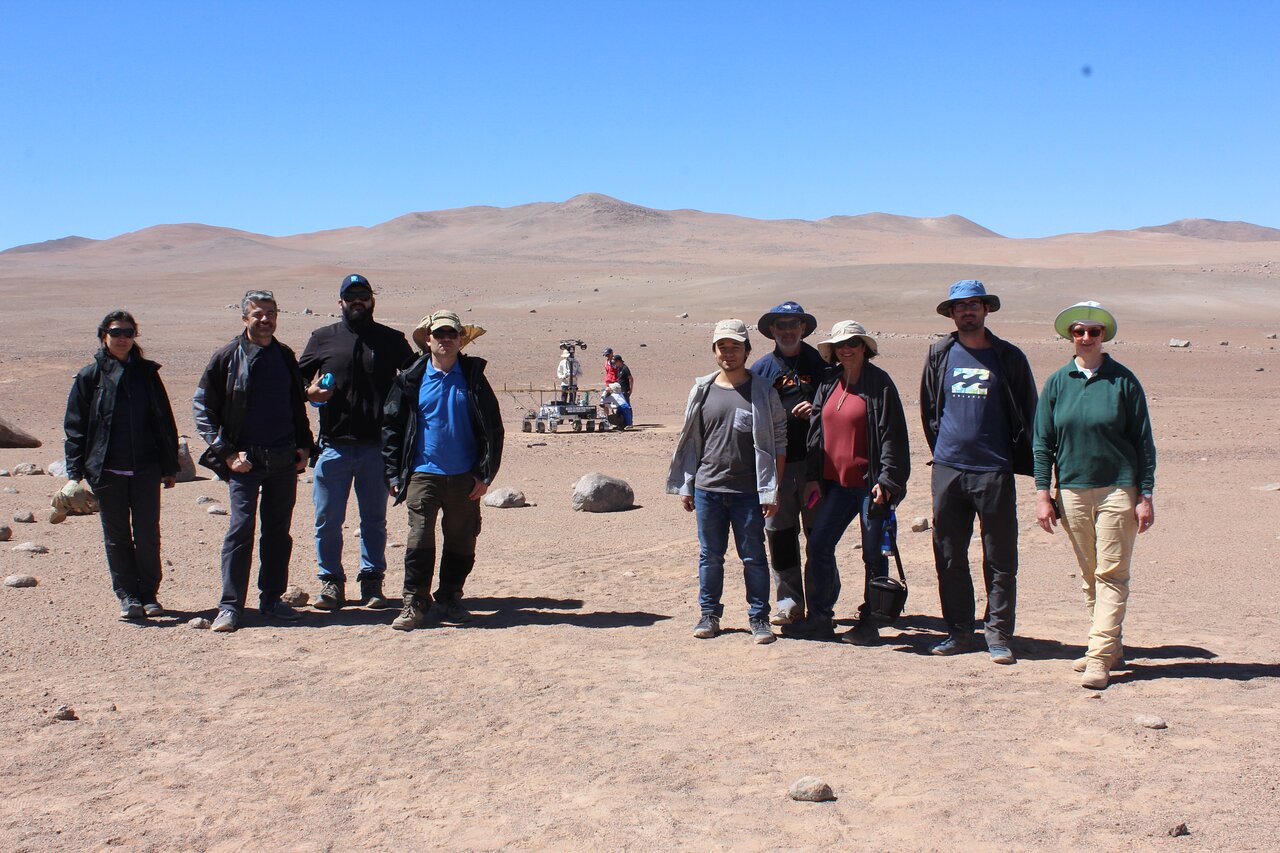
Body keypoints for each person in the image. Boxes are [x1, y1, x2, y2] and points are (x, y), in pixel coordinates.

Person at [1033, 301, 1156, 690]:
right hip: (1071, 489)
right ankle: (1111, 646)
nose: (1086, 338)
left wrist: (1145, 493)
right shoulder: (1057, 382)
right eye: (1079, 332)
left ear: (1104, 336)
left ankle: (1100, 656)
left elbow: (1143, 442)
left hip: (1119, 488)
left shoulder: (1123, 380)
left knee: (1111, 574)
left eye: (1094, 332)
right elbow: (1043, 443)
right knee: (1090, 575)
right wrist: (1042, 494)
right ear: (1071, 336)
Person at [920, 280, 1038, 664]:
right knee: (949, 554)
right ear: (951, 314)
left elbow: (1028, 410)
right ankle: (958, 632)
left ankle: (999, 634)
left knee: (1000, 556)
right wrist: (942, 452)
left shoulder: (1008, 357)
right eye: (960, 306)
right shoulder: (940, 354)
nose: (967, 311)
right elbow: (929, 411)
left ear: (986, 310)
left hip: (994, 469)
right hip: (949, 468)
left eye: (974, 304)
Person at [194, 290, 314, 633]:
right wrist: (228, 454)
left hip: (282, 460)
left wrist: (304, 446)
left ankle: (272, 599)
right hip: (244, 462)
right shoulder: (228, 357)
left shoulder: (284, 355)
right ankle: (231, 605)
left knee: (278, 533)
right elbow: (203, 408)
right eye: (258, 314)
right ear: (245, 318)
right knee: (240, 531)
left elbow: (295, 405)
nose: (266, 319)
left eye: (271, 313)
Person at [784, 321, 910, 644]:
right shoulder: (830, 382)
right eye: (840, 344)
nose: (846, 348)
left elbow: (893, 436)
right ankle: (821, 618)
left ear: (864, 347)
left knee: (872, 552)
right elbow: (816, 432)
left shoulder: (880, 384)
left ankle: (871, 621)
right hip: (837, 485)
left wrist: (888, 480)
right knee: (820, 543)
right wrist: (813, 478)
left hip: (870, 485)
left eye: (853, 342)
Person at [666, 319, 787, 645]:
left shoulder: (762, 391)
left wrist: (772, 488)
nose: (729, 353)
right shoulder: (701, 390)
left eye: (735, 347)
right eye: (723, 347)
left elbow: (778, 442)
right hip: (708, 489)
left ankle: (759, 618)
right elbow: (692, 441)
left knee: (753, 557)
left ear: (747, 350)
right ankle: (709, 614)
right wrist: (687, 485)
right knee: (710, 556)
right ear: (715, 351)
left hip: (748, 492)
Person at [382, 310, 504, 631]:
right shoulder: (411, 378)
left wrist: (485, 473)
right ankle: (414, 602)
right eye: (439, 335)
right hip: (423, 472)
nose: (445, 340)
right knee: (420, 537)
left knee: (461, 540)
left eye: (452, 335)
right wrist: (394, 473)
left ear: (461, 340)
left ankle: (450, 597)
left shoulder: (474, 377)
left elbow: (493, 428)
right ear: (429, 340)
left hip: (465, 475)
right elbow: (392, 427)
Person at [298, 273, 414, 612]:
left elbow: (415, 382)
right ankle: (331, 583)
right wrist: (308, 393)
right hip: (334, 446)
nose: (357, 301)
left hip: (376, 448)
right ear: (341, 302)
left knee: (374, 518)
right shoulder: (322, 339)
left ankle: (372, 581)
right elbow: (294, 383)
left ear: (372, 300)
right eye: (351, 297)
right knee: (327, 518)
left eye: (363, 295)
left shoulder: (392, 340)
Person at [63, 310, 180, 619]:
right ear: (105, 335)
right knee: (116, 536)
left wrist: (170, 466)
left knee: (147, 534)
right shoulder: (90, 376)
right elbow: (75, 427)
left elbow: (163, 422)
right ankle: (127, 595)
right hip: (106, 471)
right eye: (116, 332)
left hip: (145, 468)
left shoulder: (147, 375)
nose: (123, 338)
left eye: (128, 332)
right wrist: (74, 473)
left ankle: (149, 594)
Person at [750, 300, 828, 625]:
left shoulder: (821, 364)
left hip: (816, 468)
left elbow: (838, 405)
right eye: (780, 325)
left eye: (792, 324)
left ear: (803, 328)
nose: (787, 330)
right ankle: (789, 604)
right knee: (780, 536)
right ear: (771, 330)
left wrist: (816, 409)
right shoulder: (761, 370)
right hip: (778, 468)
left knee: (819, 537)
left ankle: (822, 607)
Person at [611, 354, 635, 426]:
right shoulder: (619, 369)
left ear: (619, 361)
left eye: (615, 362)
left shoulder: (625, 368)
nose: (614, 364)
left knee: (627, 407)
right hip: (619, 391)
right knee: (620, 407)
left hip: (625, 391)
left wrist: (630, 389)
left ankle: (629, 423)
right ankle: (621, 423)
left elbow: (631, 378)